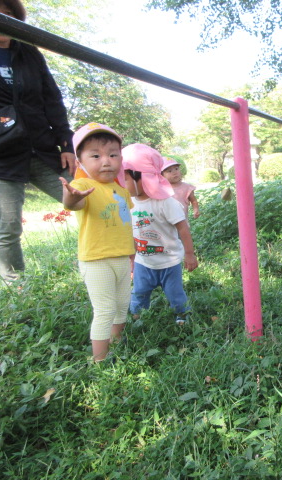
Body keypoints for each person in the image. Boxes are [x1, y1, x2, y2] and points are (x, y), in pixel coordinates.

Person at [0, 0, 75, 284]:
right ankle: (19, 295)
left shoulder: (29, 53)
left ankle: (119, 261)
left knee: (88, 198)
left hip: (43, 149)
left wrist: (67, 144)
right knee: (8, 228)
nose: (2, 20)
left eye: (9, 15)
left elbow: (52, 98)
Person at [59, 123, 134, 362]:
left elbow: (125, 223)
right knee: (105, 310)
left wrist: (132, 253)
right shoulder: (82, 186)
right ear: (80, 161)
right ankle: (100, 361)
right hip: (96, 260)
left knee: (123, 304)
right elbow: (73, 203)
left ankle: (117, 342)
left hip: (122, 258)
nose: (106, 161)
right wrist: (71, 196)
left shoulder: (120, 190)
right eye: (95, 155)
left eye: (113, 155)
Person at [122, 144, 198, 326]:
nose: (121, 185)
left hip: (169, 261)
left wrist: (189, 254)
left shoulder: (165, 202)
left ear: (143, 178)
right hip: (143, 262)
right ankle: (137, 318)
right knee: (139, 292)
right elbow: (130, 232)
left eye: (124, 179)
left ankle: (182, 315)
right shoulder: (128, 203)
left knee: (175, 293)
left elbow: (183, 228)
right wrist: (131, 260)